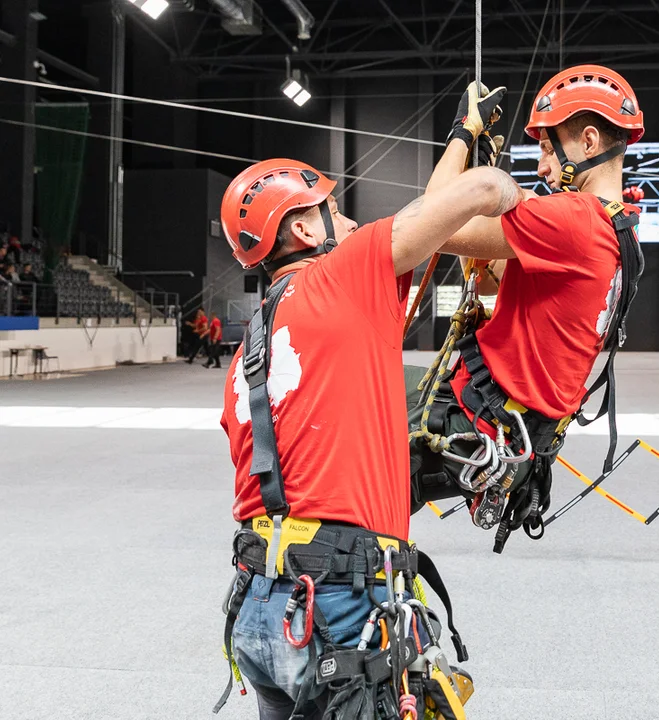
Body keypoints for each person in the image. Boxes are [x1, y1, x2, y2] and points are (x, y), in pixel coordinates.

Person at [214, 156, 524, 720]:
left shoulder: (250, 346)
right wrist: (549, 225)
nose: (353, 222)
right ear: (306, 230)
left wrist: (458, 137)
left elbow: (422, 218)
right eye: (335, 210)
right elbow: (482, 188)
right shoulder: (345, 275)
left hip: (258, 605)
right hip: (336, 607)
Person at [406, 65, 646, 553]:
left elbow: (430, 222)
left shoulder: (574, 218)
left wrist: (462, 134)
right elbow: (502, 280)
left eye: (545, 147)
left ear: (588, 141)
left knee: (346, 397)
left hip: (473, 420)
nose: (540, 166)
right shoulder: (621, 230)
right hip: (515, 436)